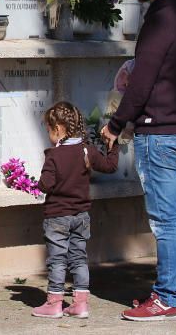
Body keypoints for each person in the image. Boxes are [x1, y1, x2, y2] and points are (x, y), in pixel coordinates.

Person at [100, 0, 176, 322]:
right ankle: (175, 292)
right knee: (173, 216)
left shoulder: (162, 20)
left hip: (159, 133)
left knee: (164, 220)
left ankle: (166, 297)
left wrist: (115, 123)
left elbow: (143, 80)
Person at [32, 101, 120, 319]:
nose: (49, 135)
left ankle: (54, 303)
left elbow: (47, 184)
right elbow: (110, 166)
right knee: (79, 258)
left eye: (49, 130)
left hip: (57, 217)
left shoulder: (54, 155)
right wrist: (113, 146)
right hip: (81, 216)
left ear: (59, 129)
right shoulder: (86, 150)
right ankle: (80, 304)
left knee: (57, 260)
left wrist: (35, 182)